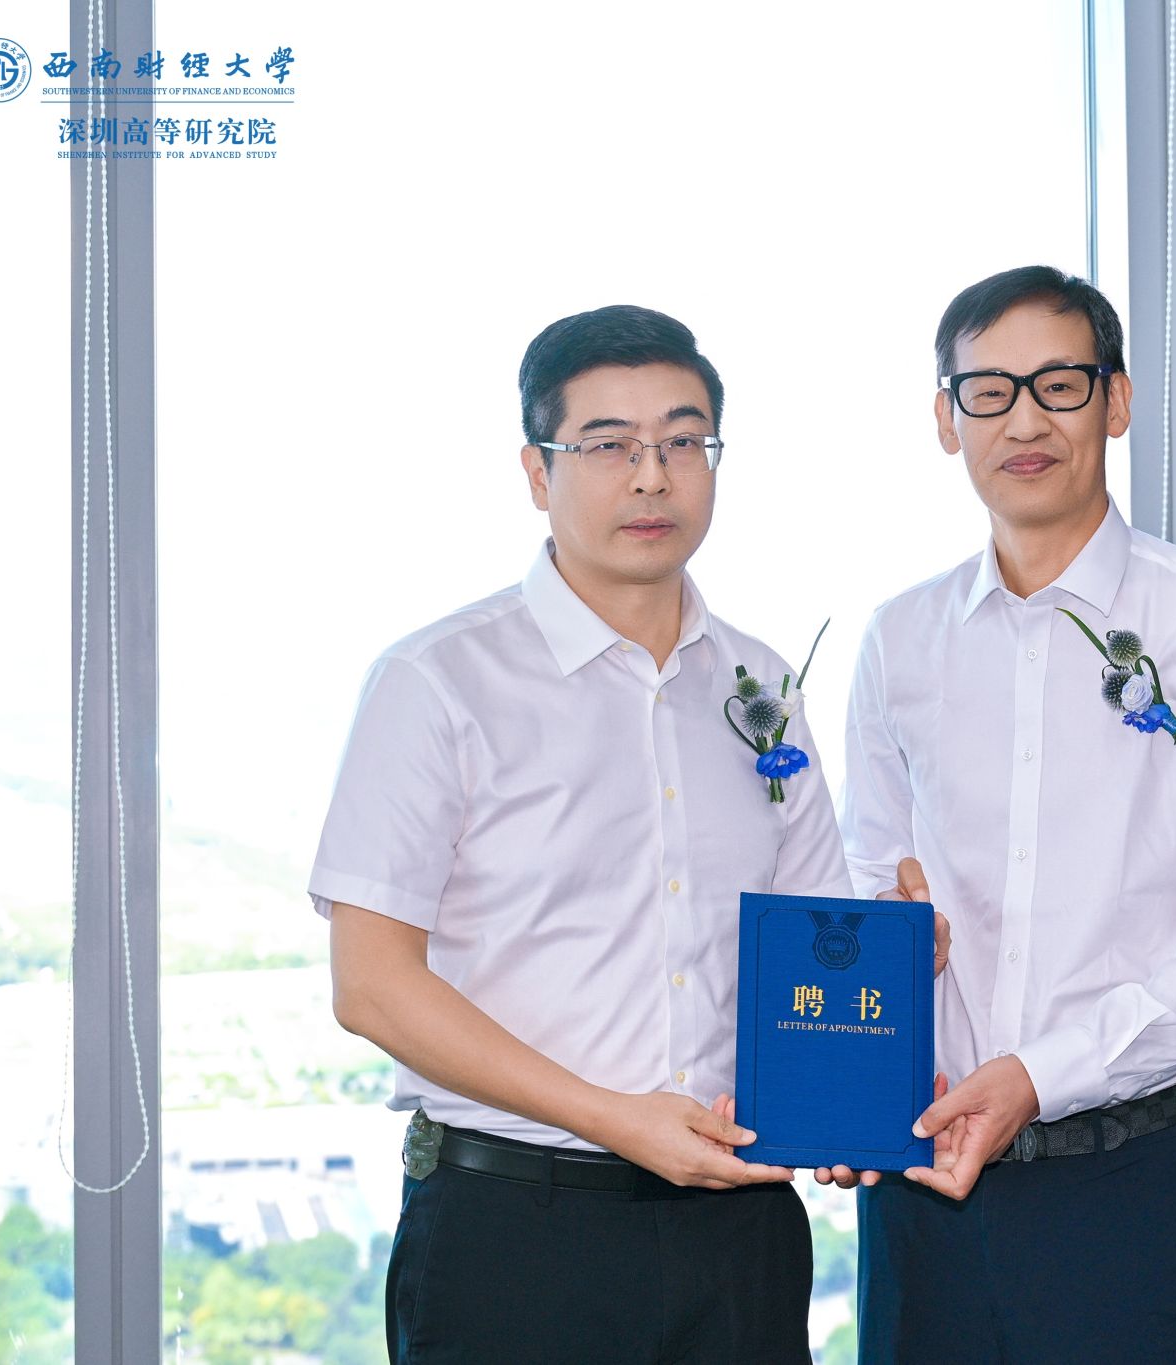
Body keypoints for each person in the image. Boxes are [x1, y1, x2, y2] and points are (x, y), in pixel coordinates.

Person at [310, 305, 851, 1364]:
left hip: (738, 1231)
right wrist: (612, 1116)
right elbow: (370, 986)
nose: (651, 477)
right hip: (517, 1230)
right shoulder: (438, 681)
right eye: (608, 445)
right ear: (535, 470)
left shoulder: (762, 686)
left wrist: (891, 964)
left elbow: (808, 936)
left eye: (683, 441)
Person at [839, 265, 1176, 1362]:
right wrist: (866, 1025)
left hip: (1132, 1187)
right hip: (924, 1187)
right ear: (946, 420)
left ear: (1116, 400)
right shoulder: (898, 638)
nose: (1024, 421)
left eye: (1058, 384)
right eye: (988, 391)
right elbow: (867, 880)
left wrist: (1040, 1076)